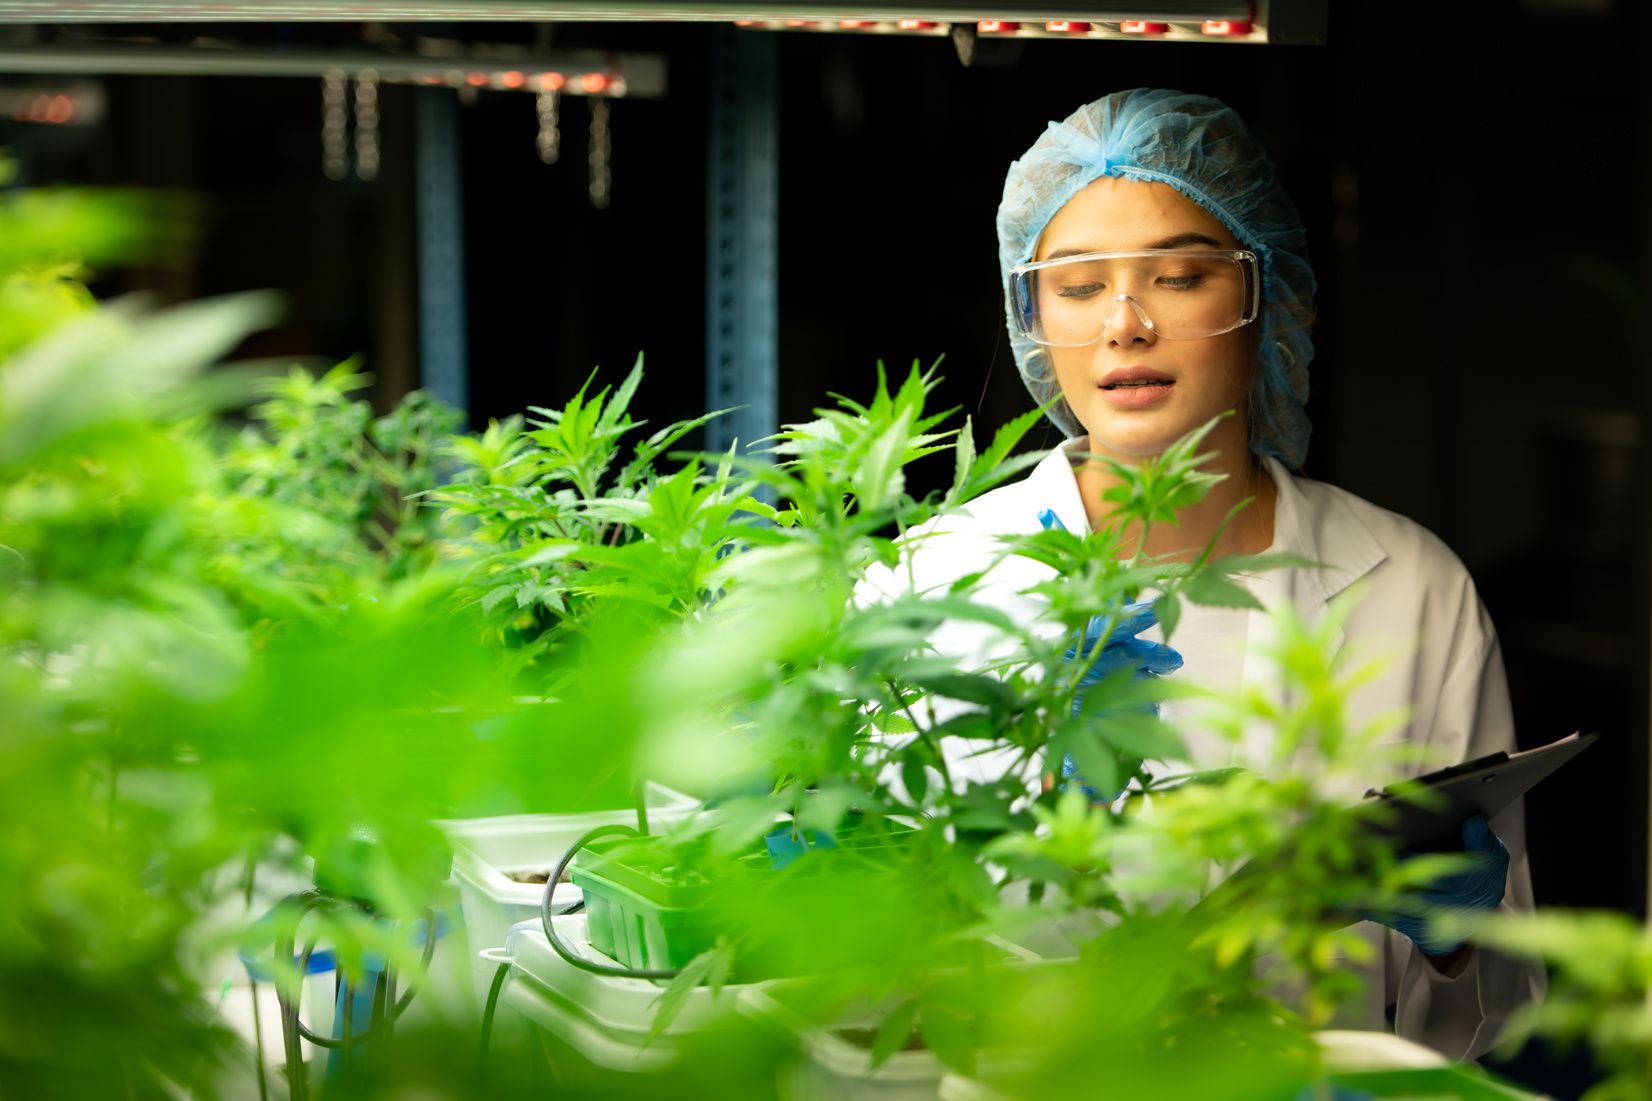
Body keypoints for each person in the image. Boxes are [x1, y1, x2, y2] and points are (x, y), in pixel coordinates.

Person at [883, 88, 1543, 1059]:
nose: (1123, 326)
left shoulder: (1406, 587)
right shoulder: (924, 589)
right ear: (1034, 320)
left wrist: (1455, 945)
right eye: (1074, 287)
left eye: (1180, 276)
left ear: (1263, 294)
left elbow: (1494, 1017)